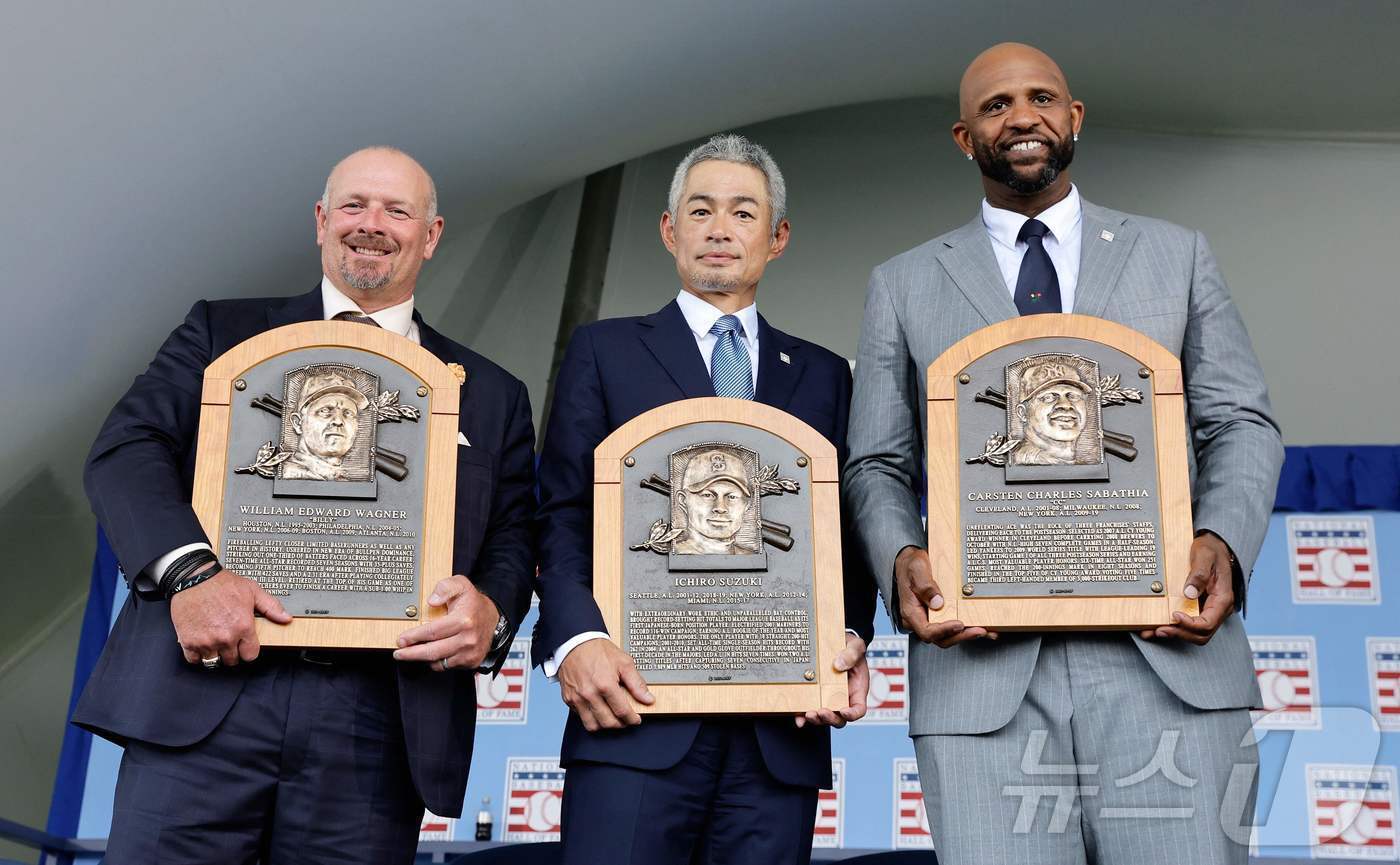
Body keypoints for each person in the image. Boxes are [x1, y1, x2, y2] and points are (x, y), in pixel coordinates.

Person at [843, 43, 1284, 865]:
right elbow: (876, 461)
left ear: (1073, 117)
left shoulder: (1176, 254)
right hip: (983, 679)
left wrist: (1219, 540)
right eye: (995, 105)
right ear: (963, 136)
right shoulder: (903, 283)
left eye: (1041, 97)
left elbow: (1242, 423)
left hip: (1167, 668)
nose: (1021, 117)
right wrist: (900, 553)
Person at [74, 147, 537, 865]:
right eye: (353, 205)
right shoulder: (219, 331)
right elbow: (125, 451)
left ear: (433, 234)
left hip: (377, 727)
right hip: (208, 698)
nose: (371, 225)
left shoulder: (495, 393)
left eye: (396, 210)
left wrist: (494, 610)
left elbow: (511, 534)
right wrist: (193, 576)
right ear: (322, 221)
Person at [534, 133, 876, 865]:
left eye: (743, 213)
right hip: (634, 714)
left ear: (776, 237)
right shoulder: (604, 350)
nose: (720, 229)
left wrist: (847, 636)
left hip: (779, 731)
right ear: (669, 230)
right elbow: (561, 510)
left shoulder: (823, 374)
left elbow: (843, 532)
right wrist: (575, 639)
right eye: (701, 210)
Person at [281, 367, 371, 481]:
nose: (338, 421)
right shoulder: (289, 475)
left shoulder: (341, 480)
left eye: (348, 413)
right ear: (298, 423)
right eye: (325, 411)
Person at [672, 448, 760, 555]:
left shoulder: (750, 556)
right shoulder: (672, 554)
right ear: (683, 500)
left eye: (731, 497)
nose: (720, 508)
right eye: (707, 495)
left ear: (747, 504)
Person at [1008, 359, 1090, 466]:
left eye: (1073, 396)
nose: (1065, 405)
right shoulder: (1020, 465)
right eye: (1048, 397)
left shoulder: (1080, 466)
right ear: (1023, 413)